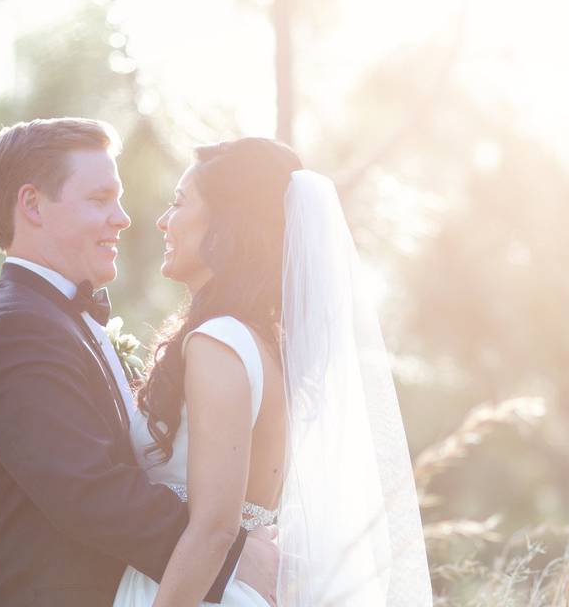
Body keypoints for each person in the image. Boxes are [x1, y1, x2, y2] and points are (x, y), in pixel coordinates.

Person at [0, 118, 276, 607]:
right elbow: (88, 491)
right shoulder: (13, 330)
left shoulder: (62, 320)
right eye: (100, 199)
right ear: (33, 205)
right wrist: (230, 555)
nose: (123, 218)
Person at [114, 138, 433, 606]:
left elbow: (214, 530)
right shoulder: (267, 345)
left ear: (226, 225)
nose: (164, 220)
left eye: (179, 203)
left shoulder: (219, 342)